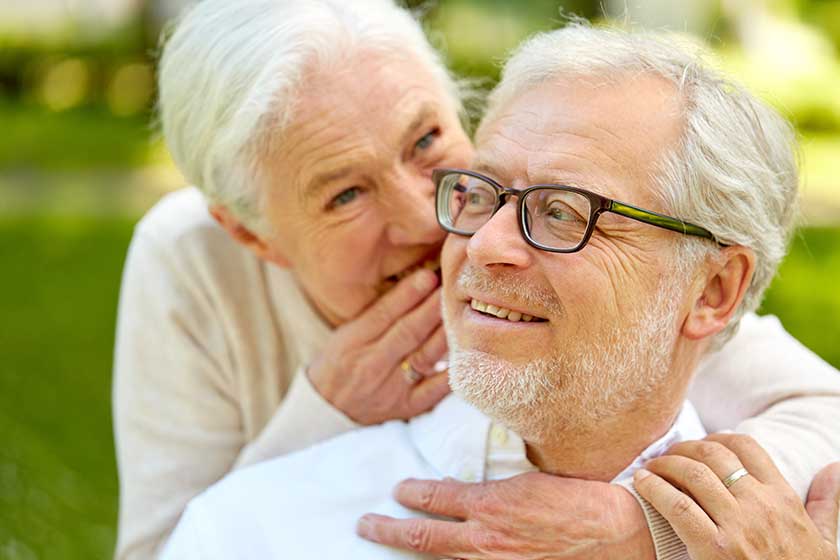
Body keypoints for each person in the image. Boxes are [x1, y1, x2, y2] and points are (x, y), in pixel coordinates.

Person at [113, 1, 840, 558]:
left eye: (428, 143)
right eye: (345, 195)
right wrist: (323, 414)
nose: (443, 228)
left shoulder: (659, 300)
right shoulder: (190, 266)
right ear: (251, 234)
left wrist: (648, 525)